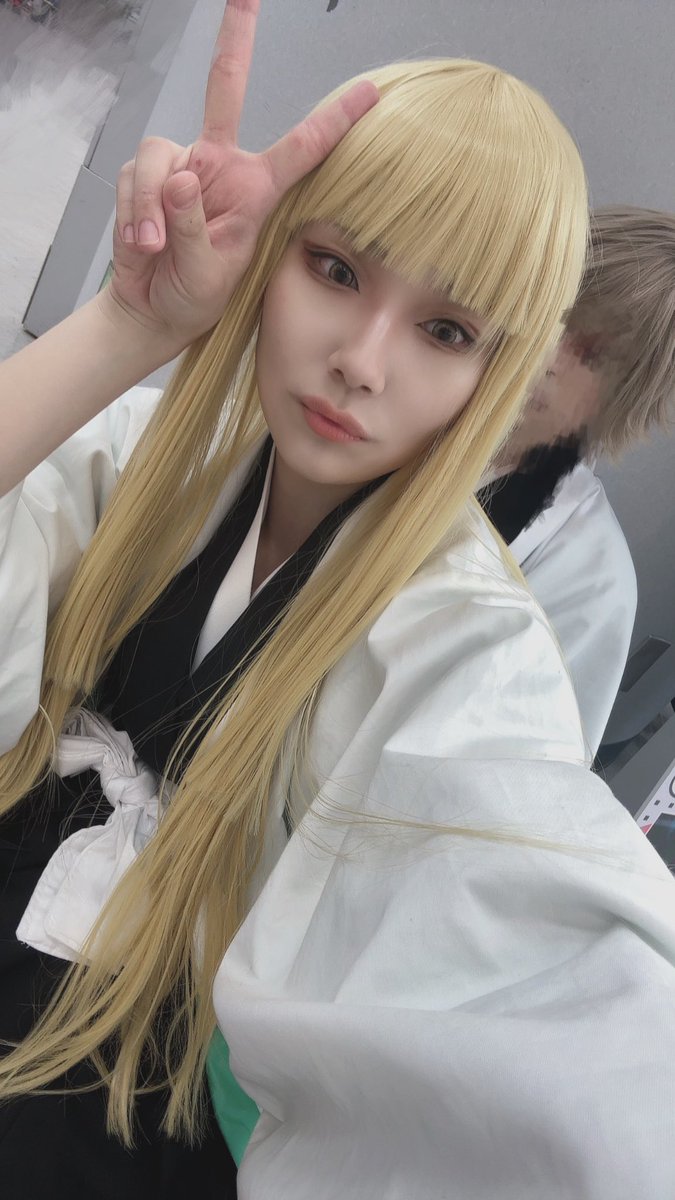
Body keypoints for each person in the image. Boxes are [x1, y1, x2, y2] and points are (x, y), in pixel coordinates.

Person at [2, 2, 675, 1197]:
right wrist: (123, 329)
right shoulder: (152, 449)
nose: (362, 361)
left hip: (144, 1109)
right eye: (336, 267)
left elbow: (526, 925)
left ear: (500, 366)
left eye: (446, 329)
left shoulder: (472, 640)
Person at [479, 206, 675, 757]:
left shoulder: (595, 578)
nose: (547, 355)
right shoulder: (398, 398)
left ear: (626, 396)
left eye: (593, 356)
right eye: (555, 314)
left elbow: (524, 771)